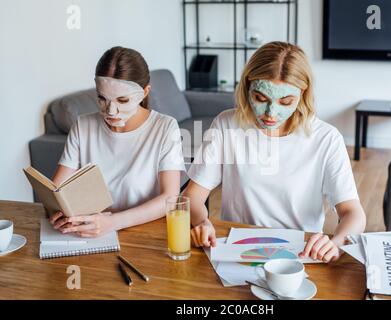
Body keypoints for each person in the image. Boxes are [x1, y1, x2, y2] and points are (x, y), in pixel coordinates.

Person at [183, 41, 366, 262]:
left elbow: (353, 213)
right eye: (261, 99)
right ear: (247, 87)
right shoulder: (226, 124)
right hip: (237, 251)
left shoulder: (326, 139)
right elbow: (192, 196)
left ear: (302, 95)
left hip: (299, 256)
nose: (271, 113)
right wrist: (202, 222)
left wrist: (336, 244)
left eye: (285, 101)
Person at [49, 46, 185, 237]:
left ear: (145, 92)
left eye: (122, 100)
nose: (110, 111)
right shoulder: (83, 125)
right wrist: (60, 211)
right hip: (88, 233)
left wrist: (112, 222)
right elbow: (57, 189)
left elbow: (170, 198)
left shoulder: (165, 128)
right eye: (102, 99)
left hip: (144, 234)